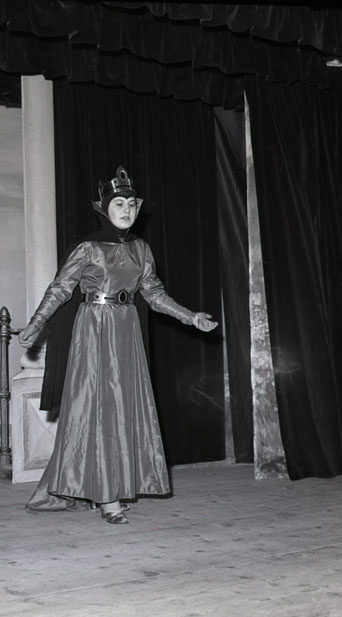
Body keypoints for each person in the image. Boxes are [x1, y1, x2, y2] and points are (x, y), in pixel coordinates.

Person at [19, 166, 217, 524]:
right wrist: (36, 322)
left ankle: (109, 487)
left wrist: (191, 317)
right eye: (119, 204)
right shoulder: (88, 248)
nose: (126, 211)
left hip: (126, 330)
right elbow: (60, 289)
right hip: (94, 330)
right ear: (104, 208)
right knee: (96, 410)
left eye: (131, 205)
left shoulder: (141, 250)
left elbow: (154, 295)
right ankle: (107, 497)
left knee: (123, 410)